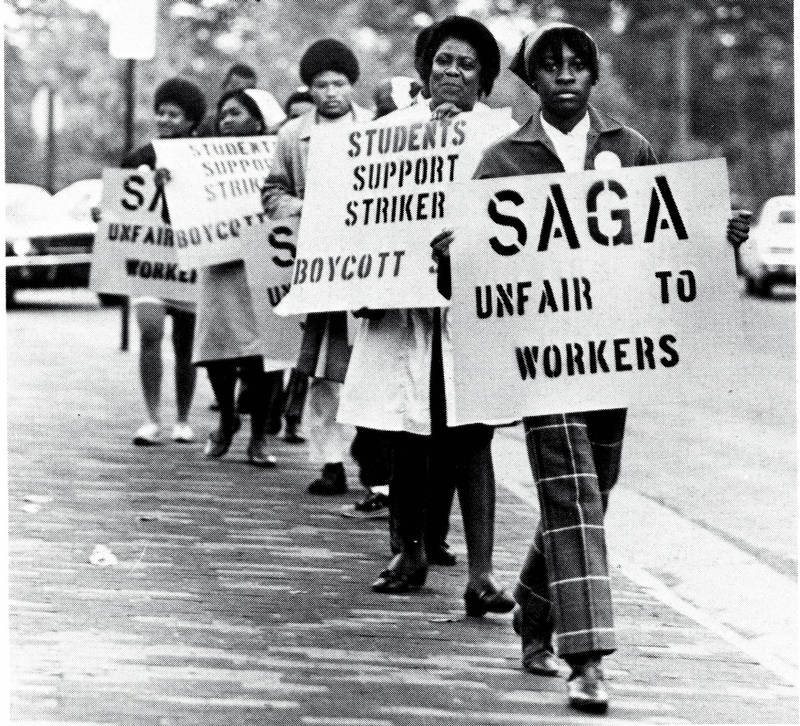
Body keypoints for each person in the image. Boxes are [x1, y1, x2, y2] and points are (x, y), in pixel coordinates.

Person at [439, 22, 750, 713]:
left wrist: (715, 233)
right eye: (550, 65)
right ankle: (588, 658)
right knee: (573, 490)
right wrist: (449, 254)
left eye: (577, 63)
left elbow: (664, 238)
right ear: (532, 80)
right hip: (542, 360)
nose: (565, 74)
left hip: (612, 353)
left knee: (595, 487)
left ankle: (533, 604)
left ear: (593, 75)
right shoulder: (502, 162)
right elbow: (469, 275)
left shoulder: (629, 148)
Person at [337, 17, 518, 612]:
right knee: (406, 430)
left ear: (484, 78)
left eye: (467, 65)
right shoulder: (388, 133)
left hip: (470, 307)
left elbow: (519, 220)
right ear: (425, 68)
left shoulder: (503, 137)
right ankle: (408, 550)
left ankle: (483, 572)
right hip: (403, 306)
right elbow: (357, 220)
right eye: (443, 61)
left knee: (472, 435)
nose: (452, 73)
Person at [261, 38, 372, 495]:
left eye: (340, 83)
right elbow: (272, 193)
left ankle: (374, 467)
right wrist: (305, 207)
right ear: (310, 88)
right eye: (322, 85)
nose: (331, 93)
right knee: (326, 370)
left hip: (366, 264)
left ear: (352, 85)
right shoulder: (292, 135)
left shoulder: (378, 127)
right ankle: (330, 460)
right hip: (317, 265)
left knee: (367, 366)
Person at [190, 88, 288, 467]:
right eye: (223, 114)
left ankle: (259, 435)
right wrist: (171, 184)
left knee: (262, 349)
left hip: (263, 259)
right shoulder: (201, 158)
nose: (226, 120)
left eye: (236, 113)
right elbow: (179, 216)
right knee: (218, 345)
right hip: (219, 262)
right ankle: (228, 418)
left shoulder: (277, 154)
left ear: (258, 120)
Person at [123, 78, 207, 447]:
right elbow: (122, 207)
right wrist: (103, 212)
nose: (165, 119)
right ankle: (151, 417)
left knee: (186, 342)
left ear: (191, 121)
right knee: (150, 332)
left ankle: (184, 419)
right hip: (150, 259)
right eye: (161, 112)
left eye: (174, 114)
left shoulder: (203, 156)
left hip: (187, 259)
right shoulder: (139, 157)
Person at [196, 63, 258, 137]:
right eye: (235, 87)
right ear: (224, 86)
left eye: (247, 90)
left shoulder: (259, 122)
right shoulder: (206, 125)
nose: (239, 94)